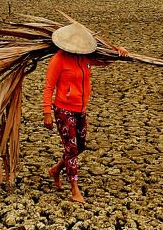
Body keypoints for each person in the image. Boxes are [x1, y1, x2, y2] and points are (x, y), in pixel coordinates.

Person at [43, 22, 128, 204]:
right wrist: (47, 113)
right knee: (71, 149)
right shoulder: (58, 60)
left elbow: (104, 61)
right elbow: (49, 87)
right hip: (63, 109)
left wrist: (117, 52)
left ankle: (56, 170)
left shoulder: (85, 58)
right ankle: (74, 190)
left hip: (80, 109)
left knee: (80, 146)